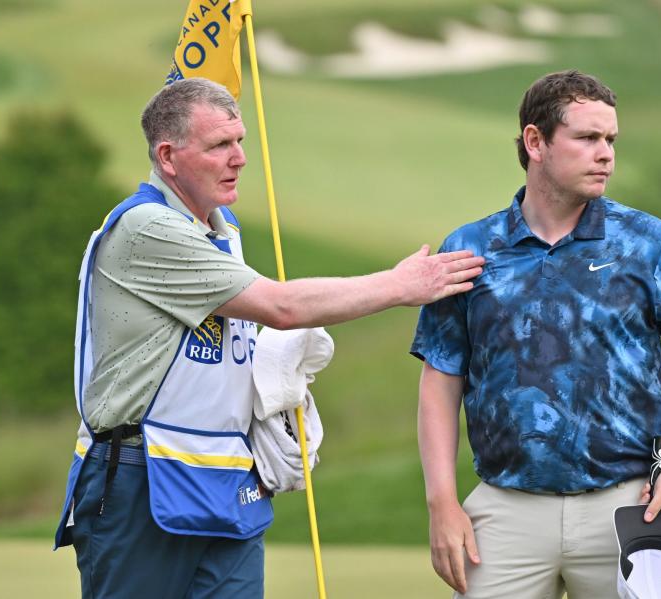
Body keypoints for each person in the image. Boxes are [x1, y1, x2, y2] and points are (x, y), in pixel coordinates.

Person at [52, 77, 484, 599]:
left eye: (240, 142)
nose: (239, 158)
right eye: (219, 145)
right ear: (168, 157)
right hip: (138, 478)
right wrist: (402, 284)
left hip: (224, 478)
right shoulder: (147, 227)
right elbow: (282, 306)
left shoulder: (221, 228)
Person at [411, 70, 661, 598]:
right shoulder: (468, 249)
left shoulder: (648, 243)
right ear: (536, 142)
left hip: (628, 508)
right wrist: (442, 501)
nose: (606, 154)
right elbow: (441, 382)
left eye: (611, 140)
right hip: (505, 513)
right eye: (587, 138)